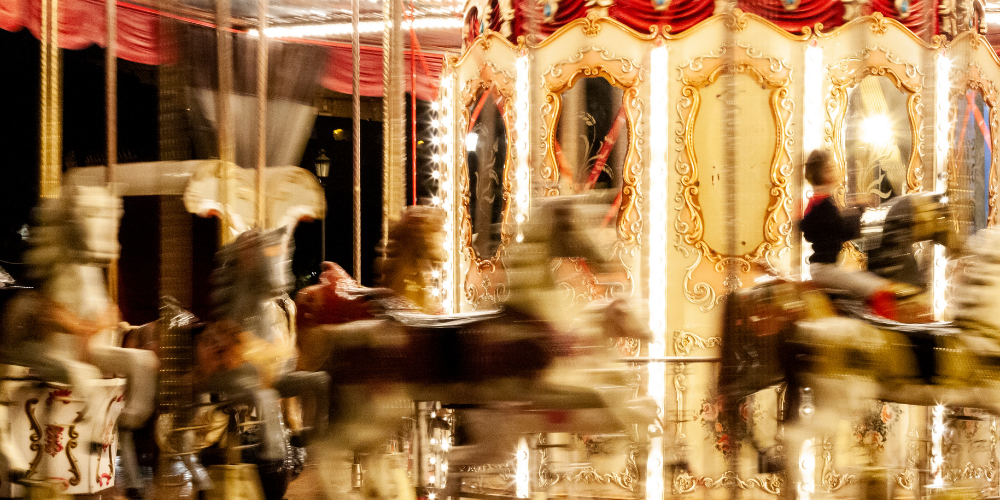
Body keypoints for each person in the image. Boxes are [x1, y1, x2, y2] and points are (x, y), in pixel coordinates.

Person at [800, 150, 897, 318]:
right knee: (878, 288)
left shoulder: (819, 203)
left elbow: (825, 228)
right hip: (825, 269)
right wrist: (860, 210)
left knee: (867, 281)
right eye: (830, 167)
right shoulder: (822, 205)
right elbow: (842, 230)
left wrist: (855, 210)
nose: (835, 170)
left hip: (826, 268)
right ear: (823, 173)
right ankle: (882, 329)